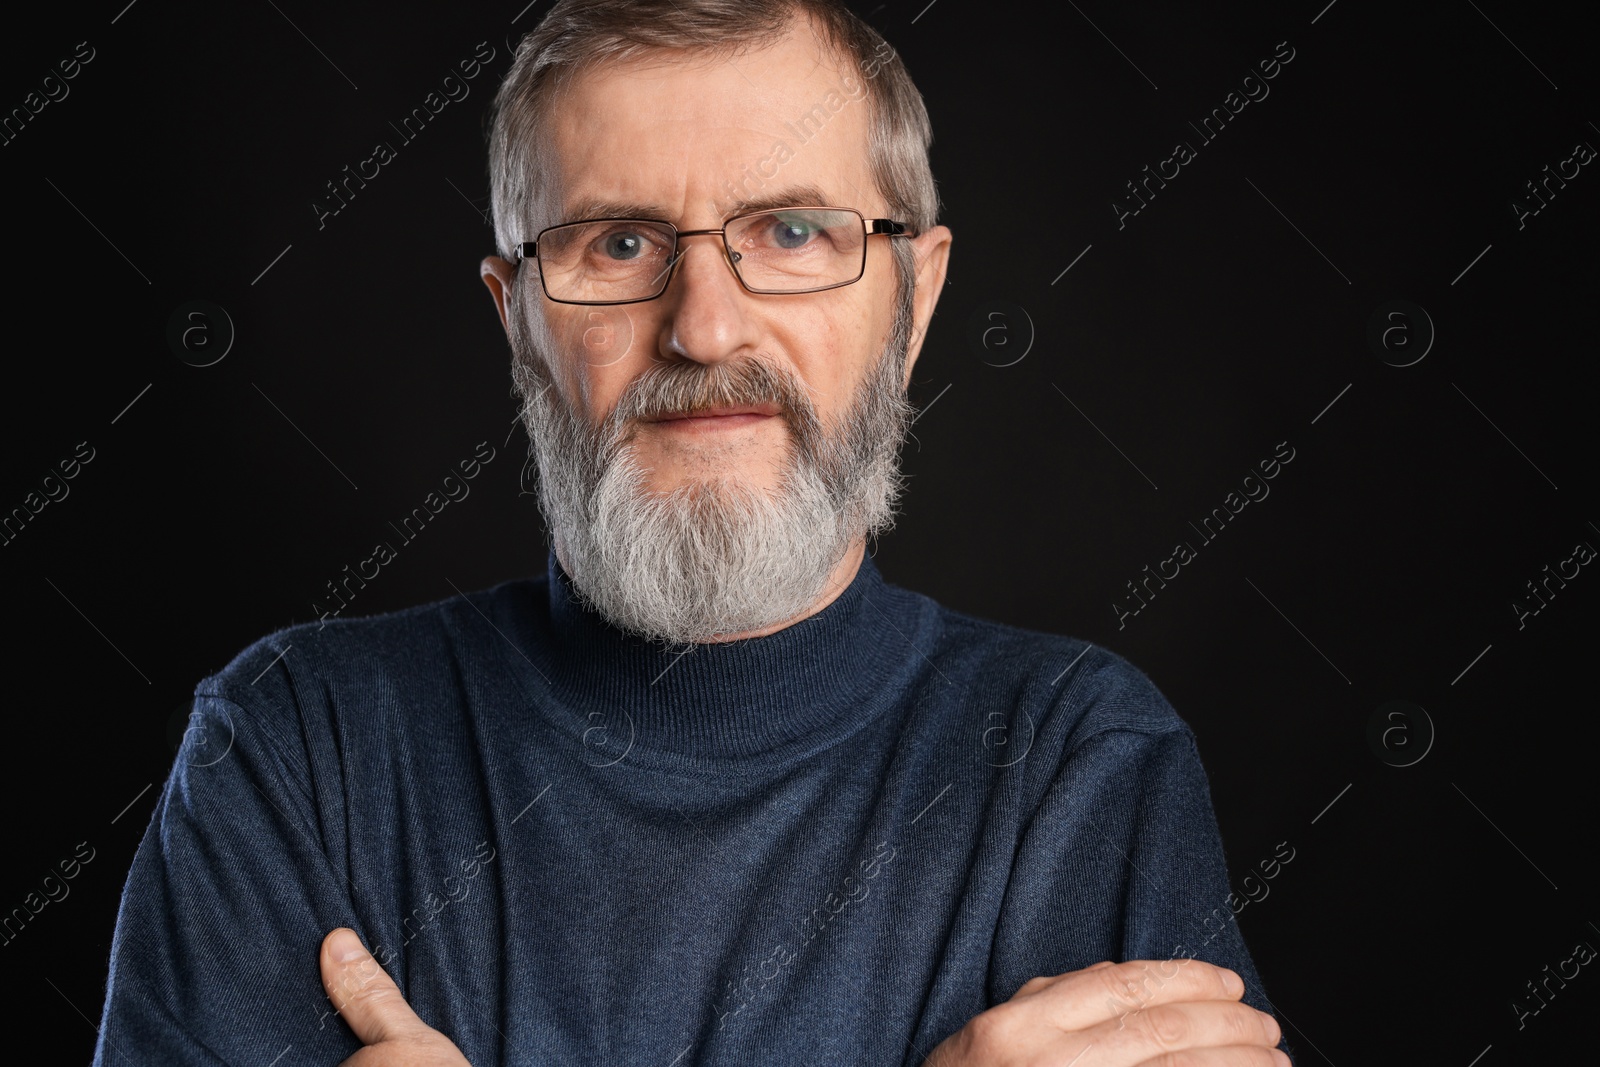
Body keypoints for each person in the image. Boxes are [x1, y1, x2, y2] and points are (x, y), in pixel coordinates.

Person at [93, 1, 1290, 1064]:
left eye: (791, 233)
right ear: (520, 325)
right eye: (619, 244)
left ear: (913, 301)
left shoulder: (1079, 765)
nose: (705, 330)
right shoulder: (301, 751)